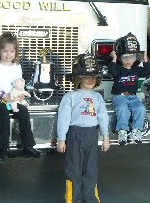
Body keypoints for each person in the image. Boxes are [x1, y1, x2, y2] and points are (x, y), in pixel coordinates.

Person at [57, 53, 110, 203]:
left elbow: (103, 117)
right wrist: (61, 139)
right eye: (86, 76)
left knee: (91, 169)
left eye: (93, 77)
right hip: (75, 134)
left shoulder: (98, 97)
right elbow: (64, 119)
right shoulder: (70, 96)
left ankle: (91, 198)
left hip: (92, 135)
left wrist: (105, 137)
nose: (90, 80)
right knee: (74, 170)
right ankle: (74, 199)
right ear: (77, 78)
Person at [0, 32, 41, 161]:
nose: (8, 54)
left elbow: (19, 83)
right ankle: (1, 149)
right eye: (5, 51)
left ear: (16, 53)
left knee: (24, 113)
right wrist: (2, 96)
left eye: (12, 51)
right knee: (3, 115)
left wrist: (20, 95)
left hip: (14, 101)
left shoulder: (17, 67)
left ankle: (28, 146)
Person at [108, 32, 150, 145]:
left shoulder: (137, 69)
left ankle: (136, 130)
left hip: (133, 97)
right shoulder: (118, 69)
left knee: (141, 109)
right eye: (125, 57)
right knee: (122, 108)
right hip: (119, 97)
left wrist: (145, 60)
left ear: (136, 58)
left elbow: (149, 72)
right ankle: (122, 131)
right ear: (120, 58)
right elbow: (112, 71)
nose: (128, 59)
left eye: (132, 57)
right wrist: (113, 59)